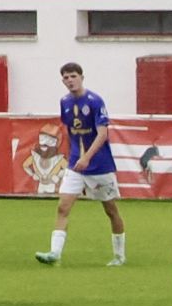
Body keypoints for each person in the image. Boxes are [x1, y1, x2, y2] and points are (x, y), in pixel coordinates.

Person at [36, 62, 126, 267]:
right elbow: (69, 130)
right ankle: (55, 253)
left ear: (82, 77)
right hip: (76, 167)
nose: (70, 80)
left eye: (73, 76)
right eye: (66, 77)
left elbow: (103, 133)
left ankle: (120, 255)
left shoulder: (95, 101)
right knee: (63, 207)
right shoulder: (65, 102)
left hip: (100, 166)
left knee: (111, 210)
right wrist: (75, 156)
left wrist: (87, 158)